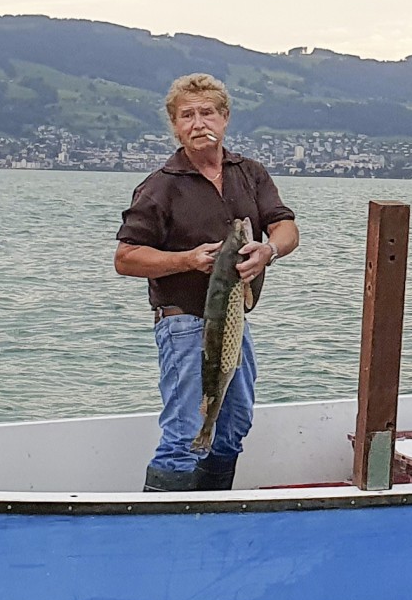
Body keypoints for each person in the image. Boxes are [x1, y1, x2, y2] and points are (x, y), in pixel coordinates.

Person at [114, 74, 300, 492]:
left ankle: (213, 508)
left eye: (207, 113)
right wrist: (186, 260)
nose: (198, 123)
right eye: (187, 116)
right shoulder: (161, 186)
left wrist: (268, 251)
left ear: (225, 118)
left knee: (233, 425)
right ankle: (160, 525)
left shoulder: (248, 173)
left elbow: (285, 226)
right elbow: (125, 258)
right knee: (185, 433)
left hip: (235, 321)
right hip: (182, 322)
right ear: (175, 126)